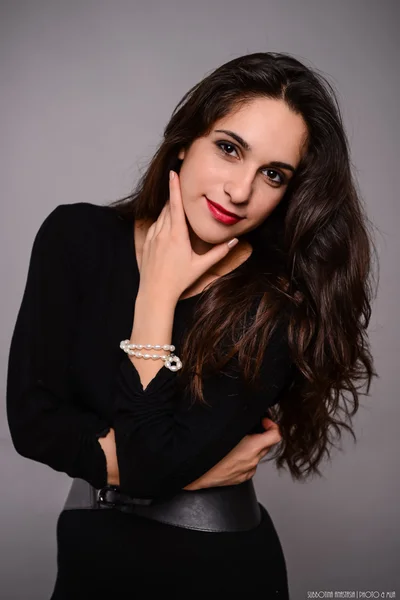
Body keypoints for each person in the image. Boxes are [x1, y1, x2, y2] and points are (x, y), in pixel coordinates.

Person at [6, 52, 378, 598]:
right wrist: (185, 472)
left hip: (215, 565)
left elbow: (150, 463)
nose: (240, 191)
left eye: (272, 174)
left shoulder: (278, 302)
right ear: (184, 140)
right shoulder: (75, 238)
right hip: (89, 553)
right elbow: (32, 422)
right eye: (229, 149)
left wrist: (157, 292)